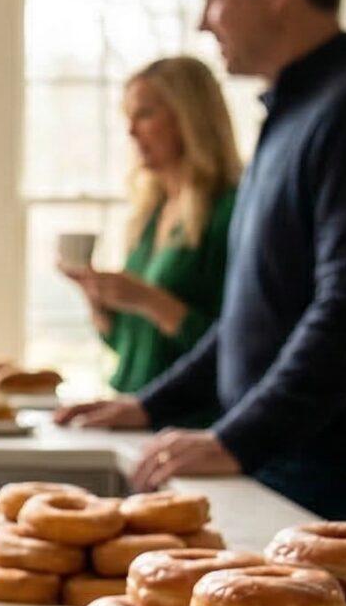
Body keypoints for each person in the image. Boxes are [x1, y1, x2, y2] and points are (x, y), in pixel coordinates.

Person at [58, 0, 346, 536]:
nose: (204, 21)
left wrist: (236, 438)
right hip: (287, 453)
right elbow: (253, 315)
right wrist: (148, 406)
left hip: (343, 467)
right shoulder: (293, 115)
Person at [62, 56, 244, 420]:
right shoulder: (152, 214)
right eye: (128, 117)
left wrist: (147, 299)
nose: (130, 131)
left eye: (145, 114)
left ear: (189, 119)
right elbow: (131, 347)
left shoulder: (230, 213)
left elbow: (237, 344)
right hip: (135, 414)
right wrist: (101, 306)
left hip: (193, 424)